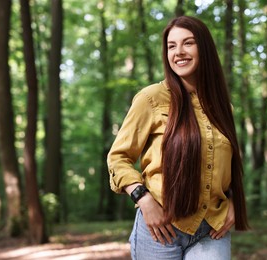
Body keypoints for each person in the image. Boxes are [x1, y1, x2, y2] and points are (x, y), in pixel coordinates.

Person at [107, 15, 249, 260]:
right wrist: (144, 200)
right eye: (172, 46)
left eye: (188, 43)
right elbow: (118, 158)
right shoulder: (151, 98)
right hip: (161, 228)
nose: (179, 52)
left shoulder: (224, 107)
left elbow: (226, 165)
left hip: (211, 230)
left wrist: (234, 201)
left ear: (204, 48)